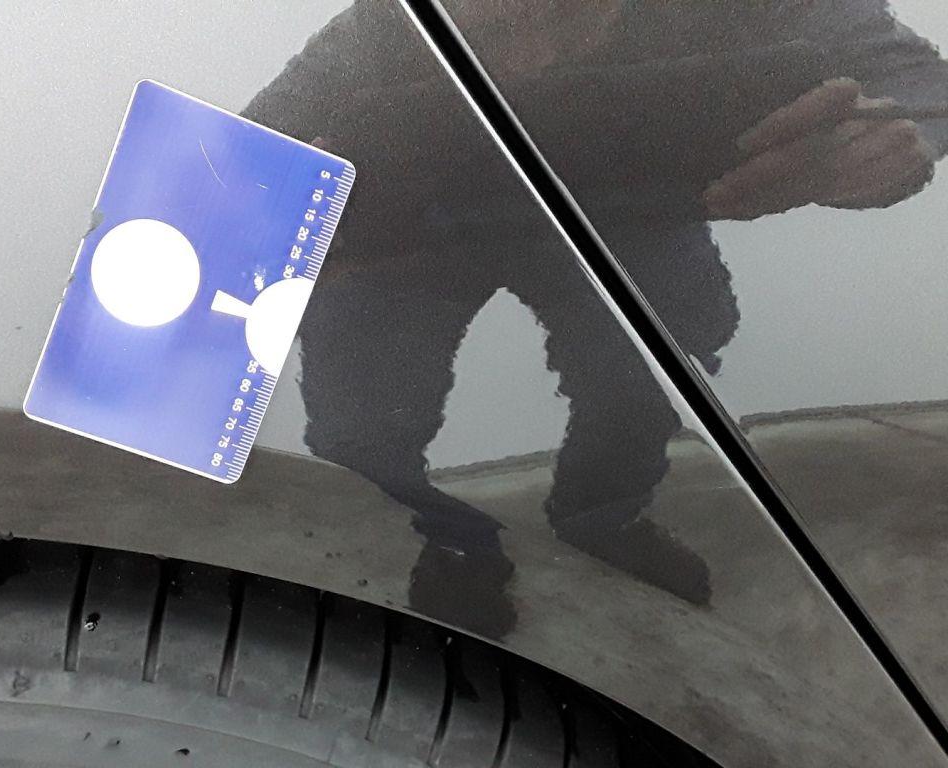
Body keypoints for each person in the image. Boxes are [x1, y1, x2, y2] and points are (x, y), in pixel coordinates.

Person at [244, 0, 948, 637]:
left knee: (657, 361)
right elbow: (246, 154)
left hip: (617, 218)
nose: (537, 41)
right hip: (423, 235)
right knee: (361, 410)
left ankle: (602, 516)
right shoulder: (379, 27)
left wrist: (893, 140)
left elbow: (920, 79)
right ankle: (419, 531)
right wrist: (294, 227)